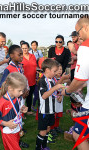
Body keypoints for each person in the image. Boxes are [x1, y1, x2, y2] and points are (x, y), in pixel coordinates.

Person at [61, 16, 89, 150]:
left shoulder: (85, 47)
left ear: (86, 28)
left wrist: (67, 91)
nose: (78, 36)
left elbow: (78, 80)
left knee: (78, 134)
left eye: (78, 32)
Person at [0, 72, 28, 150]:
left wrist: (21, 110)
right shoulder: (2, 103)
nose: (21, 93)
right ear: (10, 88)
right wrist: (6, 123)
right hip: (8, 132)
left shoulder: (17, 97)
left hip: (16, 129)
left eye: (23, 90)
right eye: (20, 90)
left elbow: (15, 111)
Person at [36, 58, 64, 150]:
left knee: (48, 129)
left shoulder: (51, 80)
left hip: (51, 110)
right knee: (43, 131)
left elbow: (53, 94)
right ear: (47, 70)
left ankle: (44, 146)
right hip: (44, 111)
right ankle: (38, 148)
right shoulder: (42, 81)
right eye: (54, 71)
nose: (56, 73)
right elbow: (44, 96)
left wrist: (59, 95)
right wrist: (55, 88)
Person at [21, 42, 37, 115]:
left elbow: (35, 66)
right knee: (23, 96)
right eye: (23, 48)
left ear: (28, 48)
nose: (24, 50)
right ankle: (22, 113)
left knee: (30, 95)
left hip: (33, 79)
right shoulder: (20, 57)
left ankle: (29, 110)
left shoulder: (32, 56)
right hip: (24, 80)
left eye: (26, 48)